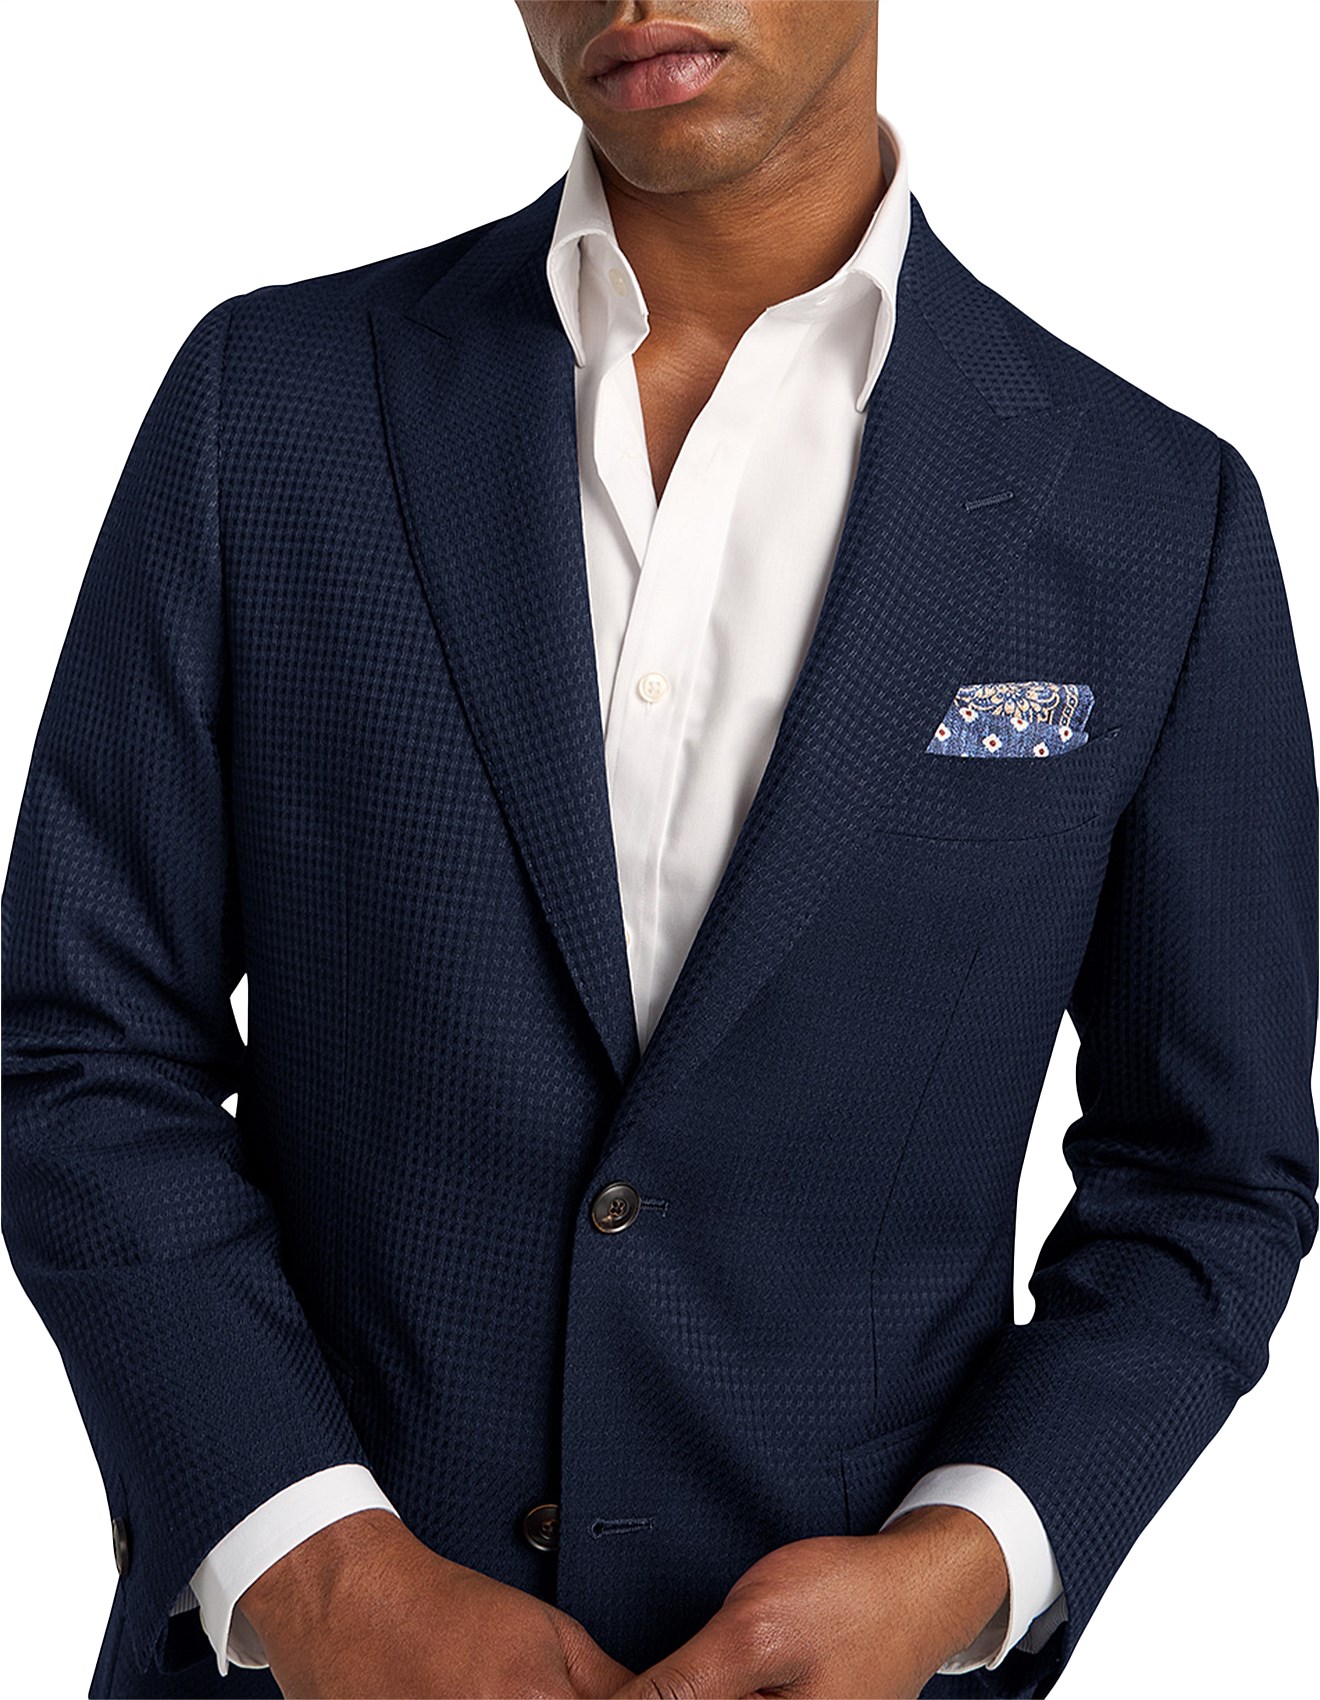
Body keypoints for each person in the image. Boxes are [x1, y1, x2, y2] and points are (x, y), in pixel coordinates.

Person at [3, 3, 1316, 1697]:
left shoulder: (1154, 518)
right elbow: (81, 1045)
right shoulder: (271, 404)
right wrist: (319, 1574)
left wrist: (956, 1571)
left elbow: (1205, 1181)